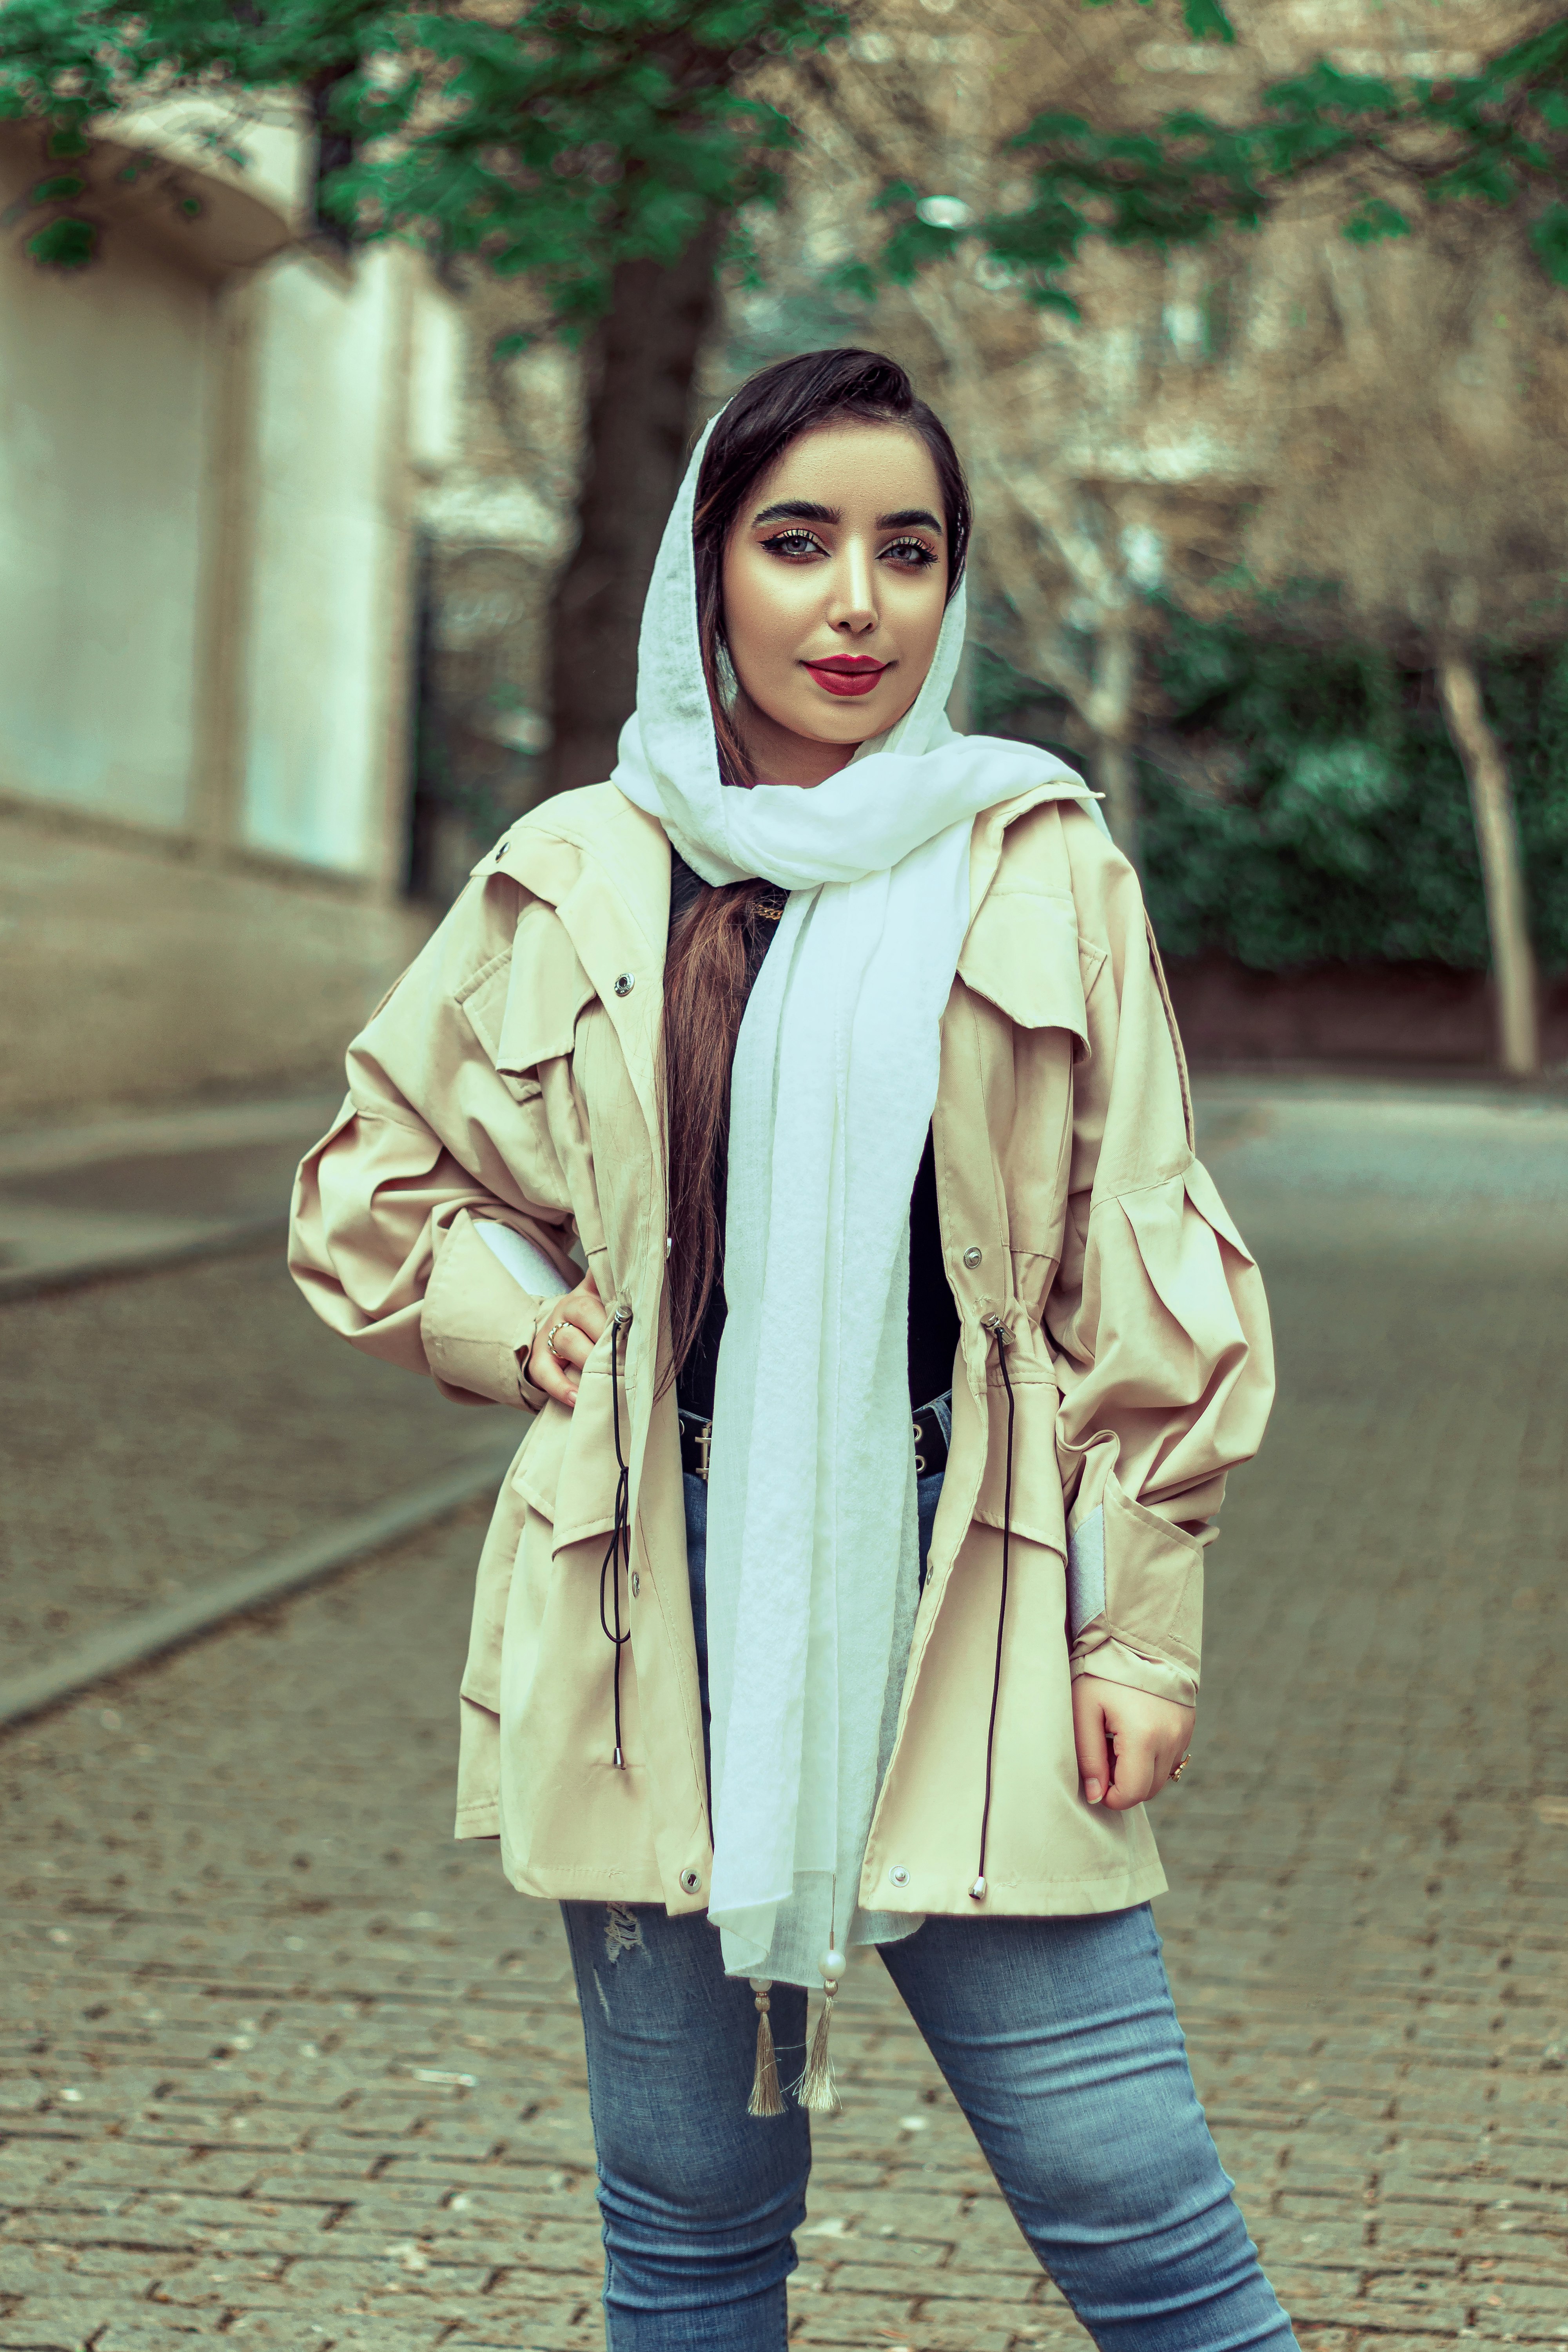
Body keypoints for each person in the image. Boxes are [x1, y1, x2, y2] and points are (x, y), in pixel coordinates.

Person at [290, 347, 1289, 2352]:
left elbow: (1148, 1263)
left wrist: (1142, 1634)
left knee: (1135, 2210)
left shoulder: (1037, 855)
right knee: (688, 2217)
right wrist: (523, 1319)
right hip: (653, 1567)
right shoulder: (587, 864)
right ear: (707, 574)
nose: (855, 604)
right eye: (798, 543)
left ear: (951, 591)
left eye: (905, 555)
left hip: (975, 1557)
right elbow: (371, 1177)